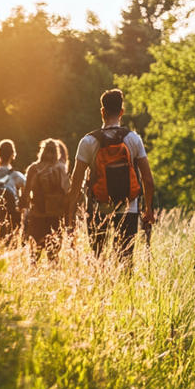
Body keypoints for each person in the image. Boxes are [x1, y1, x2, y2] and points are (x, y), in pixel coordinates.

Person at [66, 89, 155, 265]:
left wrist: (70, 214)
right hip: (129, 207)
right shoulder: (133, 139)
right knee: (125, 260)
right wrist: (149, 209)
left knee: (98, 258)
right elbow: (148, 179)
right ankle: (124, 289)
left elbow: (76, 181)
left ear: (102, 111)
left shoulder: (88, 141)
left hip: (98, 206)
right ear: (121, 112)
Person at [22, 138, 69, 262]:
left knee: (34, 254)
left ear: (41, 151)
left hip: (37, 215)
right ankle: (53, 277)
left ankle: (33, 276)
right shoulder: (61, 169)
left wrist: (25, 215)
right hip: (55, 216)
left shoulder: (33, 168)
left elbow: (26, 194)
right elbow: (66, 193)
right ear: (57, 152)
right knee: (53, 254)